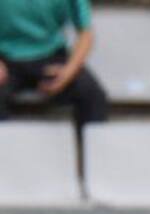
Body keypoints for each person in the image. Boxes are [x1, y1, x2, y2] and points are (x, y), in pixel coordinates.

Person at [0, 0, 108, 128]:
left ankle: (88, 141)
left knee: (91, 95)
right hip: (5, 58)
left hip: (50, 55)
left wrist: (69, 71)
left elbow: (86, 34)